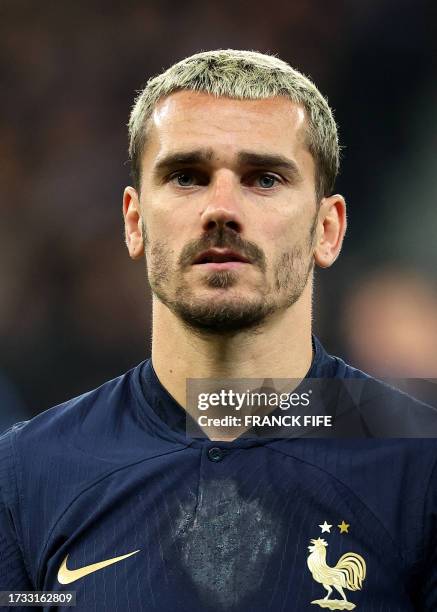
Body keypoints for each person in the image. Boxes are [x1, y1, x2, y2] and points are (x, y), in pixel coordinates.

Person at [0, 49, 436, 612]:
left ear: (327, 230)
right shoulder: (24, 476)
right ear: (134, 222)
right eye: (187, 176)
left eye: (264, 178)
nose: (222, 209)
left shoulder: (420, 467)